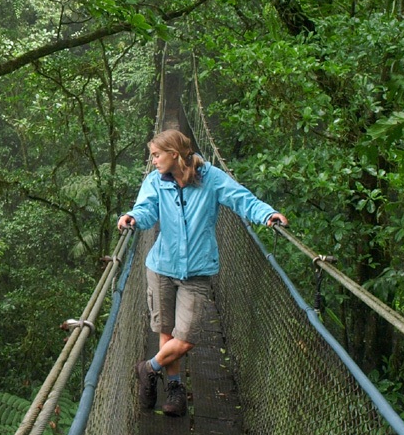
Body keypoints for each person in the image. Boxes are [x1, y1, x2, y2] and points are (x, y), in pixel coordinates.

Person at [117, 129, 288, 417]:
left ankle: (148, 369)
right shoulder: (155, 181)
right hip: (161, 266)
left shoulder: (211, 179)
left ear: (174, 154)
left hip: (197, 270)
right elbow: (145, 209)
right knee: (166, 331)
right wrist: (133, 217)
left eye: (157, 155)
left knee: (187, 337)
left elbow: (242, 198)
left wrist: (266, 214)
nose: (153, 160)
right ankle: (173, 389)